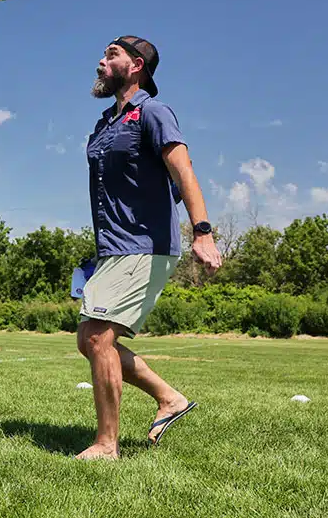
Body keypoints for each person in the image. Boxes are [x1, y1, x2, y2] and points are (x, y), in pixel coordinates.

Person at [75, 35, 222, 461]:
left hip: (146, 244)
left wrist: (203, 230)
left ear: (136, 65)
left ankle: (107, 445)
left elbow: (183, 171)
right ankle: (169, 398)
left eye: (111, 55)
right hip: (113, 246)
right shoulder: (106, 123)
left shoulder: (153, 113)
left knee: (100, 336)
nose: (101, 62)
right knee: (89, 339)